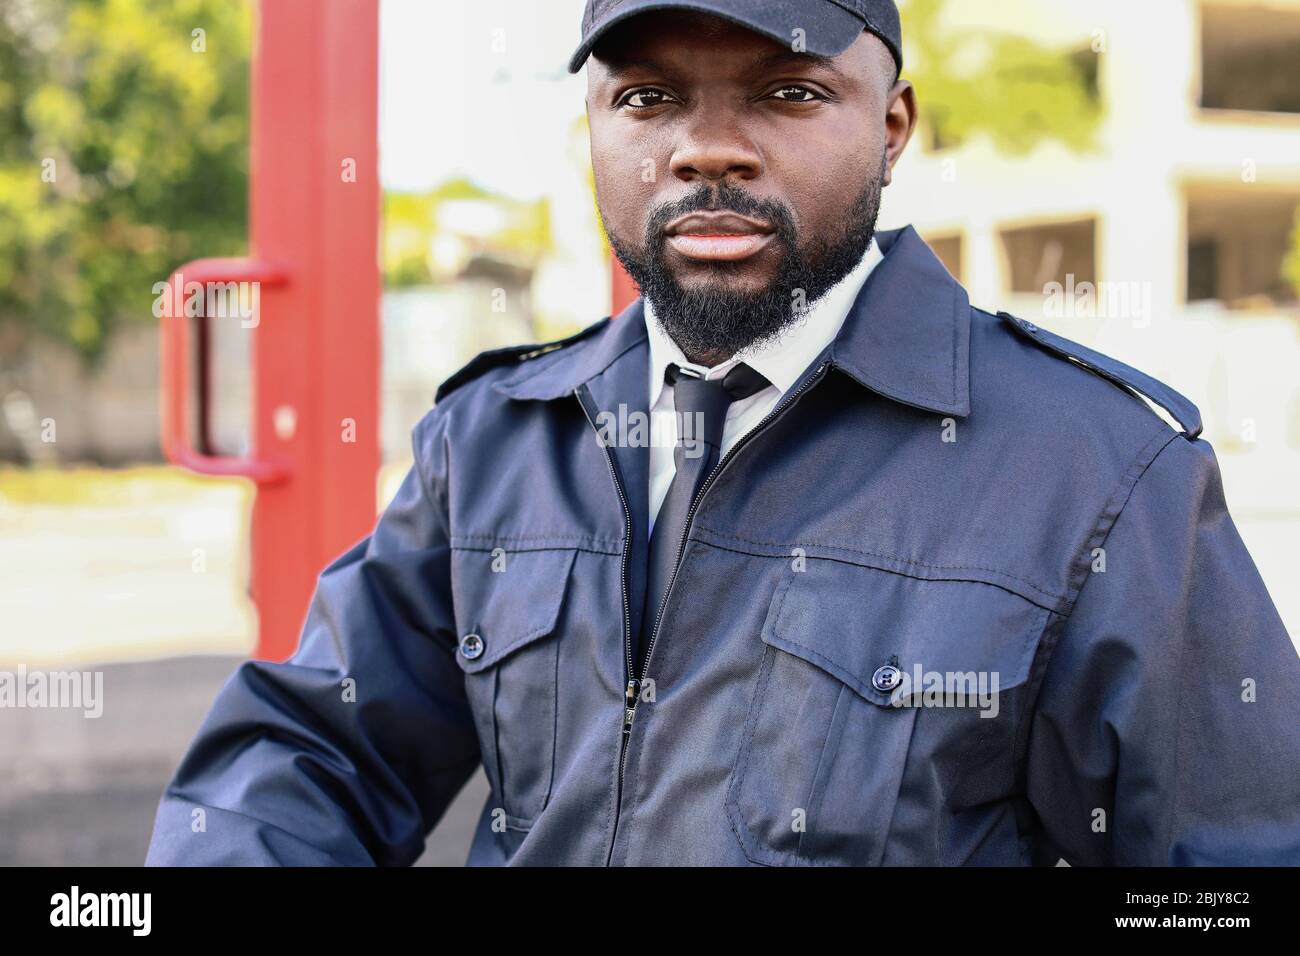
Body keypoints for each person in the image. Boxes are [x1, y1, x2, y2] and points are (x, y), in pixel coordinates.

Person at [146, 0, 1300, 866]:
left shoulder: (1097, 472)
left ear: (892, 126)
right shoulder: (496, 441)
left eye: (786, 93)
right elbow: (312, 753)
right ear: (592, 124)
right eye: (647, 99)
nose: (705, 149)